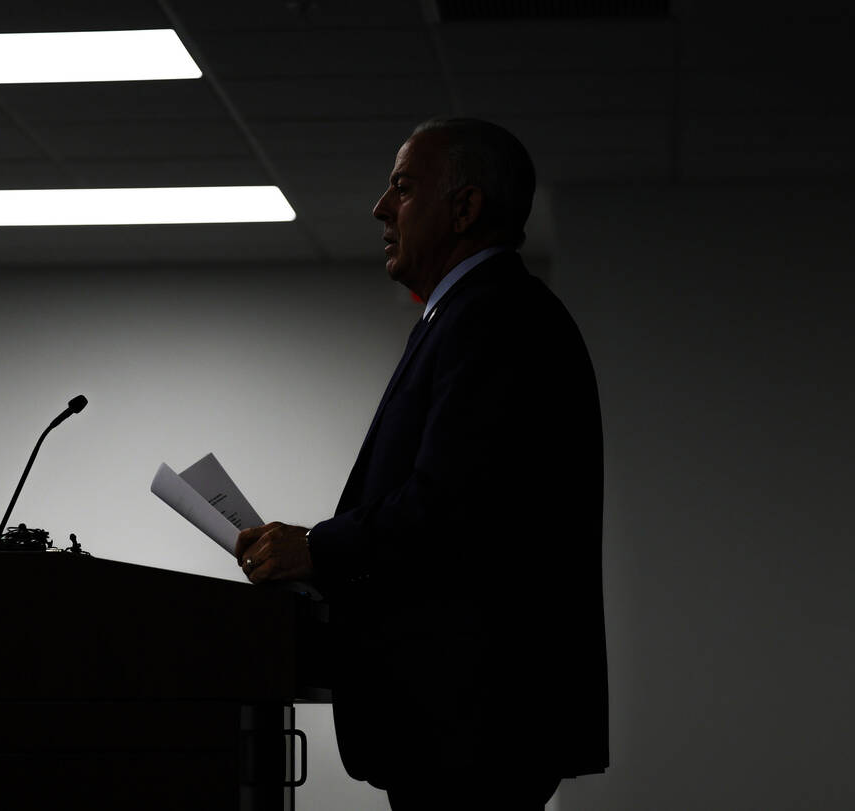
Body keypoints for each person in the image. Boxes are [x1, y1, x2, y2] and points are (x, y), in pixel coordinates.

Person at [236, 118, 607, 810]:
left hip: (471, 722)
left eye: (402, 189)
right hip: (465, 723)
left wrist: (315, 548)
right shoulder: (469, 315)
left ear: (464, 209)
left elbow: (449, 509)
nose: (380, 208)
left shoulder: (493, 318)